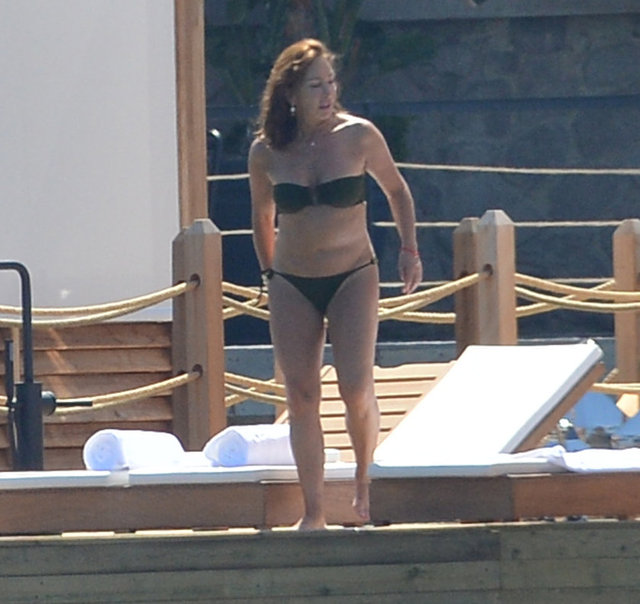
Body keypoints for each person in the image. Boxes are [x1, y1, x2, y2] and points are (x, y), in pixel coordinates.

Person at [249, 38, 422, 530]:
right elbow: (261, 215)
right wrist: (270, 275)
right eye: (315, 86)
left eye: (331, 83)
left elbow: (397, 190)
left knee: (355, 386)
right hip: (292, 281)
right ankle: (315, 511)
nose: (327, 94)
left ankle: (365, 478)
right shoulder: (266, 151)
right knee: (301, 395)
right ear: (290, 94)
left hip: (353, 273)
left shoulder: (359, 135)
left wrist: (409, 249)